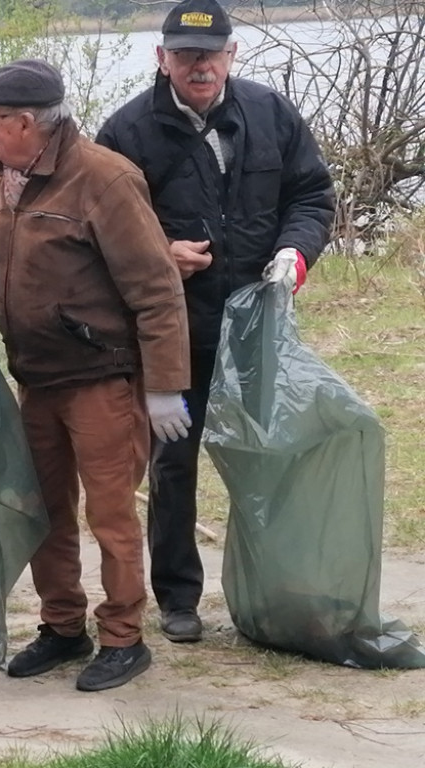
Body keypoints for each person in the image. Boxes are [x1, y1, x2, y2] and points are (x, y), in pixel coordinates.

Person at [0, 59, 191, 692]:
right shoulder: (1, 186)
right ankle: (63, 626)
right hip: (35, 380)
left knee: (111, 515)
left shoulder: (105, 179)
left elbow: (157, 291)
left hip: (103, 379)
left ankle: (124, 637)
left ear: (26, 122)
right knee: (44, 511)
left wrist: (162, 386)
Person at [95, 0, 335, 644]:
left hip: (260, 321)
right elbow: (98, 231)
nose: (199, 65)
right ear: (161, 59)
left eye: (211, 53)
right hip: (177, 330)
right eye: (185, 54)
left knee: (272, 456)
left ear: (232, 55)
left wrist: (295, 252)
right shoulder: (125, 134)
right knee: (175, 464)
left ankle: (277, 589)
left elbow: (312, 195)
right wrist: (159, 254)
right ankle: (178, 597)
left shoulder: (271, 113)